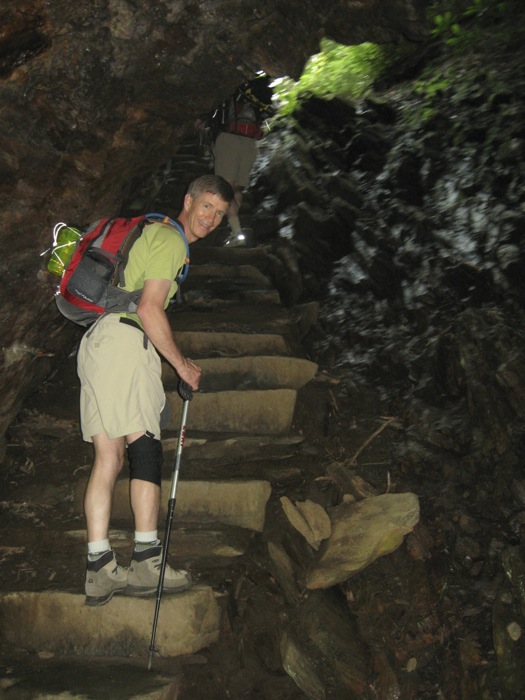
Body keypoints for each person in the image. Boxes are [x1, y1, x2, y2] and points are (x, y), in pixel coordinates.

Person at [79, 174, 234, 606]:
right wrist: (182, 365)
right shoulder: (170, 240)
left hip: (97, 343)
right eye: (207, 207)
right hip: (125, 344)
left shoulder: (153, 234)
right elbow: (149, 308)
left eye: (220, 214)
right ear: (188, 201)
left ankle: (100, 568)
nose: (212, 218)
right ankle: (147, 560)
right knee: (145, 446)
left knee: (108, 456)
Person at [197, 74, 274, 244]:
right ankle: (234, 227)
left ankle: (236, 232)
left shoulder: (233, 91)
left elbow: (213, 113)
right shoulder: (255, 99)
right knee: (236, 190)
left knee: (226, 189)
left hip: (229, 140)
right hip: (250, 144)